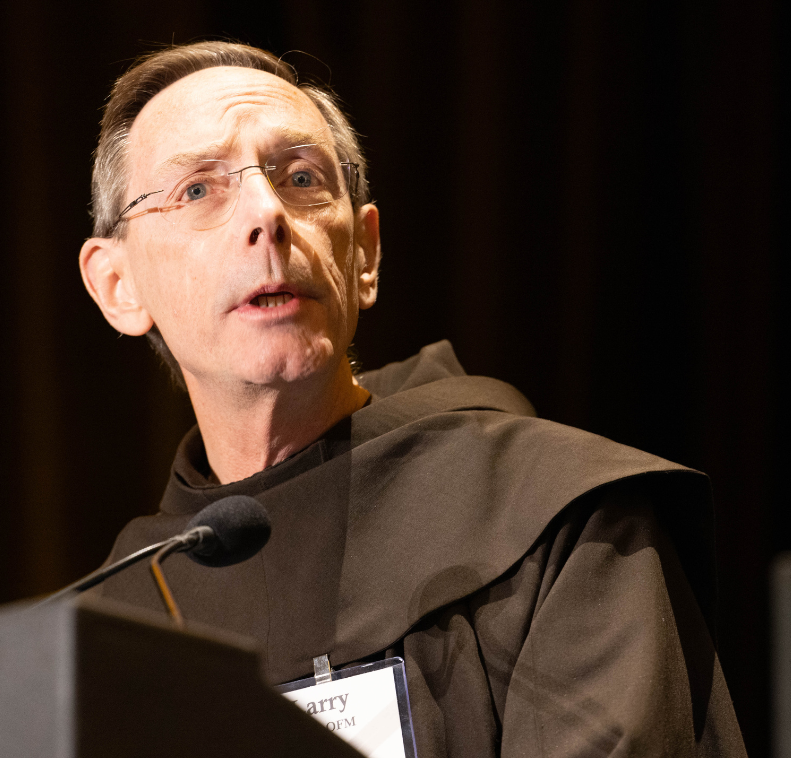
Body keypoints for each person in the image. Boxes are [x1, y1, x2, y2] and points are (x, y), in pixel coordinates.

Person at [77, 41, 747, 757]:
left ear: (363, 252)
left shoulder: (556, 519)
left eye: (302, 177)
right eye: (199, 190)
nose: (267, 214)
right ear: (119, 287)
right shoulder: (115, 625)